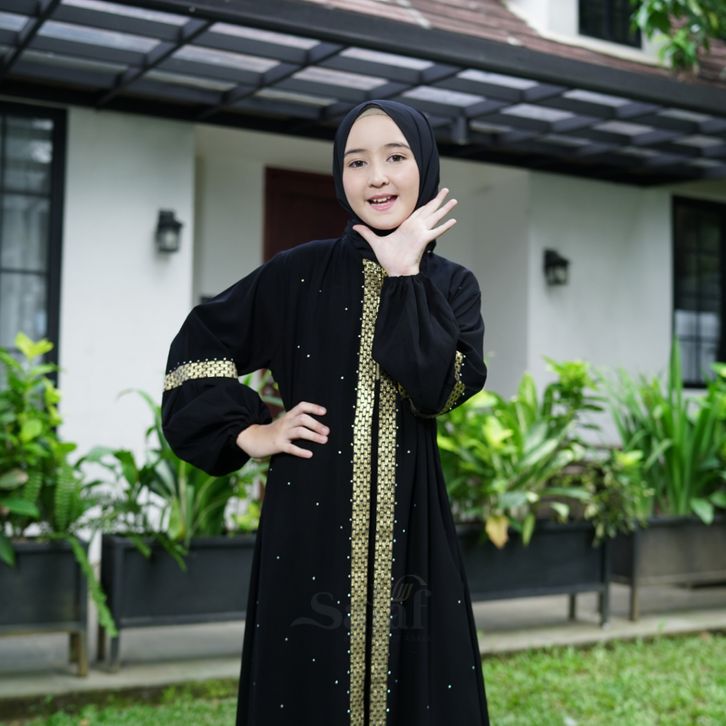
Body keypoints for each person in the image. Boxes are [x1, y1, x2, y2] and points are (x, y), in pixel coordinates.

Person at [161, 99, 490, 725]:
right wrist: (250, 432)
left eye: (396, 157)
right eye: (356, 162)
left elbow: (437, 391)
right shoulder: (298, 273)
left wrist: (404, 277)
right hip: (306, 521)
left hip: (412, 524)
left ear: (424, 165)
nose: (377, 177)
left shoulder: (451, 286)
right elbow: (200, 342)